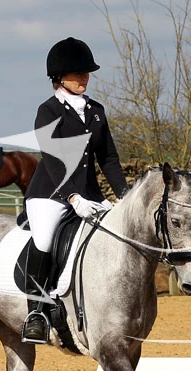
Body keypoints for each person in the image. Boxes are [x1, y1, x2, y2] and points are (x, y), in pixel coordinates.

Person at [21, 37, 129, 344]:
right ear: (59, 76)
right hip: (50, 194)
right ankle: (36, 313)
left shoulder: (97, 111)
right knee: (44, 240)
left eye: (86, 72)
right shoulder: (48, 111)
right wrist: (72, 196)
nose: (84, 77)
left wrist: (125, 196)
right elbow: (53, 160)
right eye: (77, 73)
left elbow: (108, 158)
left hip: (90, 194)